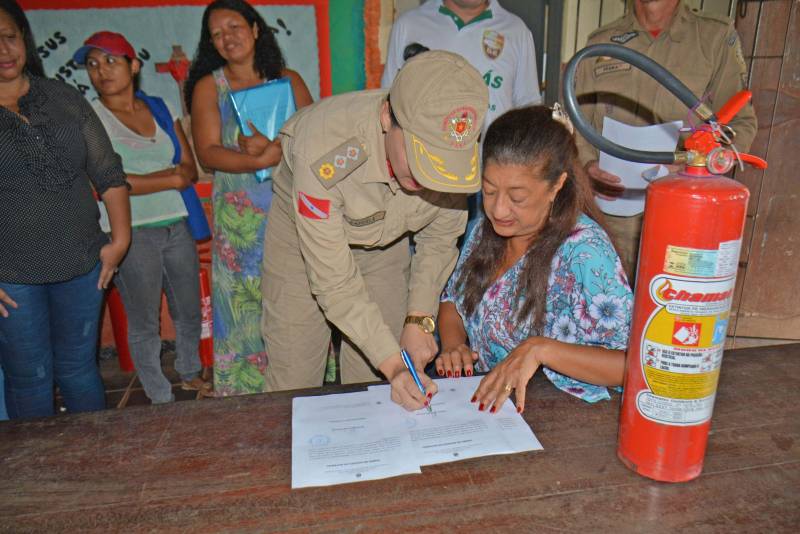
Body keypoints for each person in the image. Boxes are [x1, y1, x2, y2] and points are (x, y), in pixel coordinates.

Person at [262, 50, 488, 411]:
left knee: (374, 383)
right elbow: (334, 282)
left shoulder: (457, 160)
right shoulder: (324, 152)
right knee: (294, 377)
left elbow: (439, 240)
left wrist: (419, 319)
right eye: (420, 158)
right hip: (303, 244)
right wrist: (394, 363)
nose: (427, 178)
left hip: (387, 243)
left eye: (441, 165)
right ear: (387, 117)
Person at [436, 105, 633, 414]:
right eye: (488, 191)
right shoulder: (485, 232)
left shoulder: (585, 252)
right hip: (493, 411)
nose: (499, 210)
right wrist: (453, 346)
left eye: (517, 198)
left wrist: (541, 349)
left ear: (557, 185)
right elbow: (453, 301)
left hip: (565, 422)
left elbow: (630, 365)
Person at [0, 0, 130, 419]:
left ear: (24, 39)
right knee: (30, 376)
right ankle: (39, 476)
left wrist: (120, 241)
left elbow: (108, 172)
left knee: (78, 369)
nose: (4, 49)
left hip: (82, 262)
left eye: (10, 37)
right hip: (12, 276)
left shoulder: (62, 97)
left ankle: (93, 463)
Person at [575, 0, 757, 283]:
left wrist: (698, 167)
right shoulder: (601, 42)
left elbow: (739, 124)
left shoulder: (714, 38)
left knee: (667, 310)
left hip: (682, 216)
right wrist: (587, 166)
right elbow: (580, 122)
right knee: (605, 308)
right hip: (611, 216)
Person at [73, 31, 211, 404]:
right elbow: (104, 181)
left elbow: (189, 168)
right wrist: (167, 178)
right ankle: (158, 392)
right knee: (145, 320)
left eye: (112, 61)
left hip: (176, 223)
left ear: (134, 66)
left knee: (188, 309)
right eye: (93, 64)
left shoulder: (159, 107)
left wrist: (160, 178)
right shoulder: (89, 118)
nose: (102, 71)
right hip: (128, 232)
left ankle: (189, 372)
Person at [185, 0, 312, 396]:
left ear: (256, 29)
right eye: (217, 33)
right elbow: (207, 152)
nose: (227, 37)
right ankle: (247, 398)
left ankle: (302, 386)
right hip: (240, 223)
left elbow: (313, 136)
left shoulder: (288, 80)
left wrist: (272, 152)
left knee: (296, 301)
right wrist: (263, 155)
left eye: (235, 26)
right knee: (242, 307)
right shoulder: (210, 86)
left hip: (291, 210)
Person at [382, 0, 542, 231]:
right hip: (423, 174)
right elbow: (388, 97)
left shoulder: (516, 31)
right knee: (424, 256)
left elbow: (529, 110)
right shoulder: (410, 24)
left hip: (487, 182)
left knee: (479, 259)